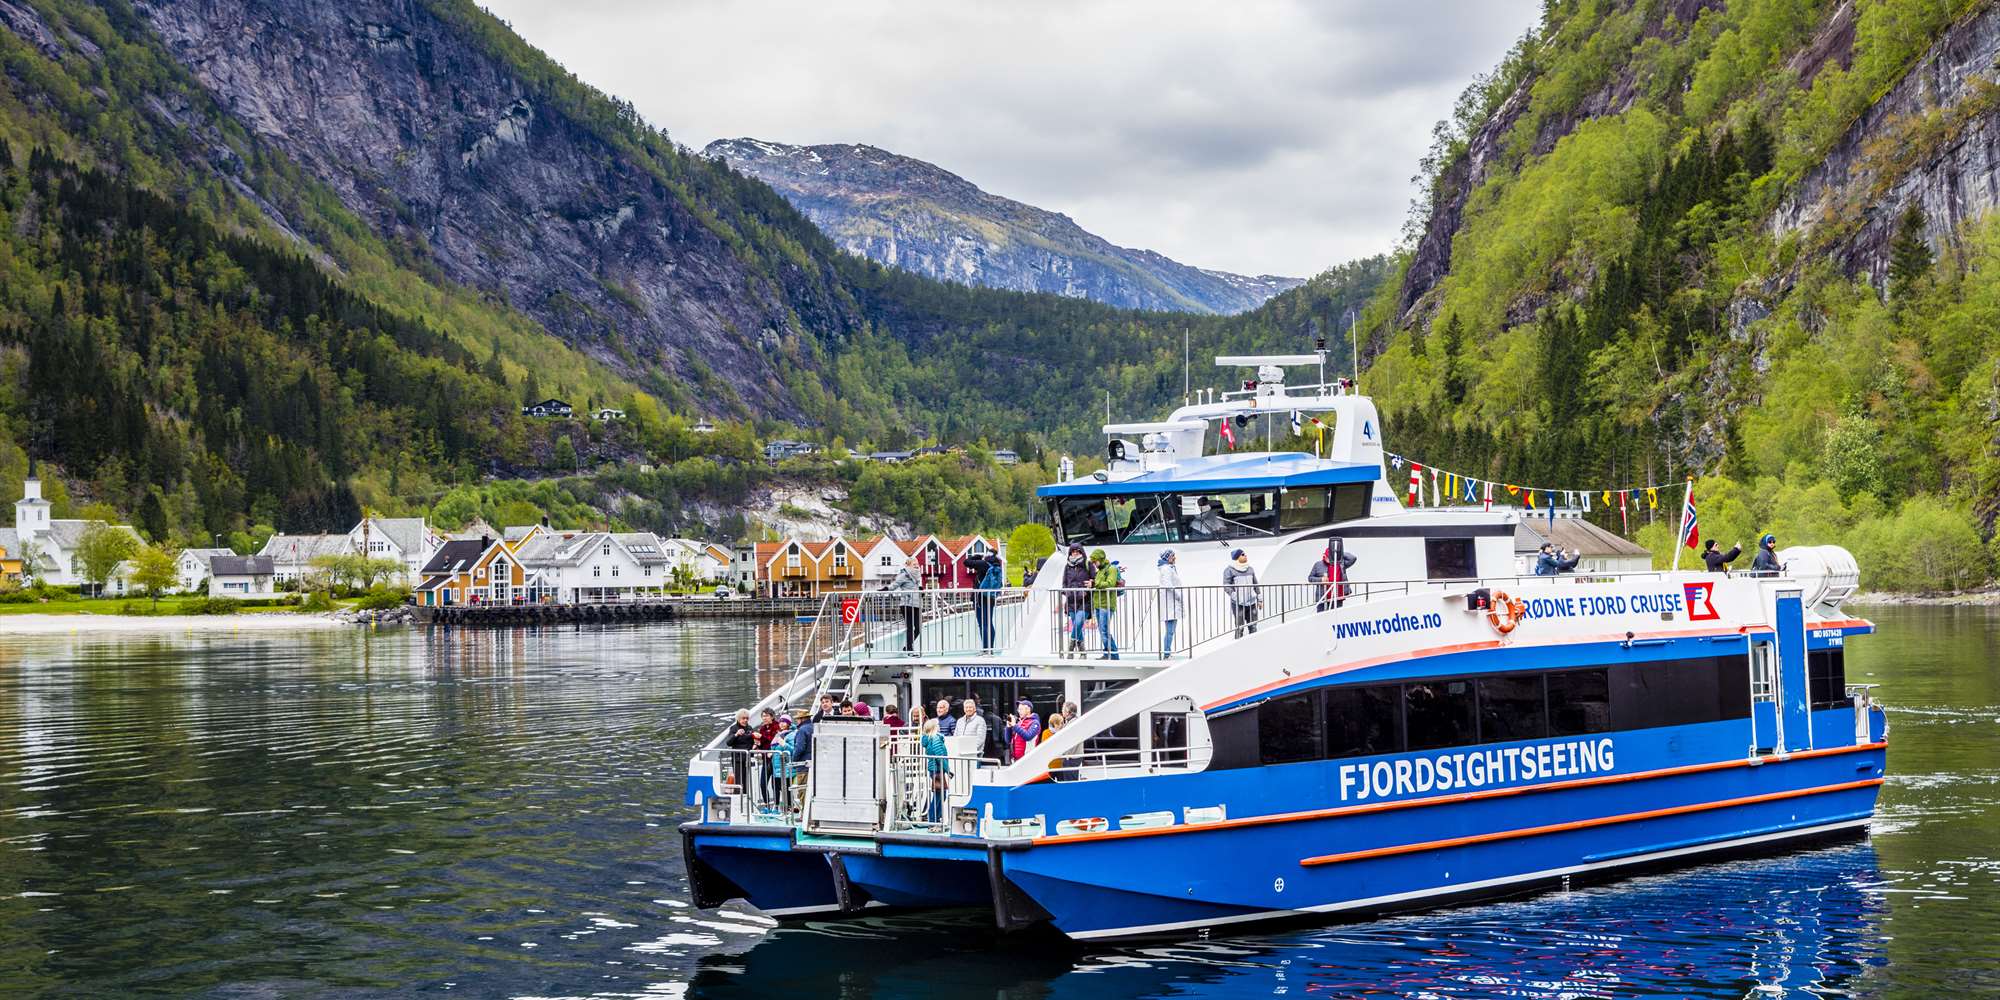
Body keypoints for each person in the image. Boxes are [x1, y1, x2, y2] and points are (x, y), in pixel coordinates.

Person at [964, 548, 1005, 652]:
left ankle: (986, 650)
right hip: (991, 597)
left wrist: (977, 556)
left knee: (983, 624)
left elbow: (966, 562)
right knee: (989, 623)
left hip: (980, 598)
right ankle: (990, 649)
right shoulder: (997, 565)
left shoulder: (983, 564)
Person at [1060, 545, 1093, 657]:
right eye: (1072, 551)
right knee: (1076, 626)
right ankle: (1083, 652)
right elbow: (1064, 583)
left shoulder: (1088, 565)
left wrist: (1089, 587)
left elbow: (1094, 579)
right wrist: (1067, 592)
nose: (1075, 553)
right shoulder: (1067, 566)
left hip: (1085, 600)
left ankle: (1070, 648)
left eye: (1077, 551)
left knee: (1078, 623)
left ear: (1082, 552)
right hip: (1071, 601)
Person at [1090, 549, 1122, 660]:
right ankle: (1108, 653)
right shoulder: (1100, 570)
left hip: (1107, 604)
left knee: (1104, 630)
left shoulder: (1111, 569)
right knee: (1102, 630)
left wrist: (1095, 583)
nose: (1094, 564)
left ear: (1101, 559)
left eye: (1095, 561)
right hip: (1099, 604)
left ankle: (1113, 655)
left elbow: (1110, 583)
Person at [1309, 538, 1357, 611]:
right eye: (1328, 557)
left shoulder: (1340, 563)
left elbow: (1352, 558)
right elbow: (1310, 578)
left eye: (1330, 557)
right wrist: (1320, 579)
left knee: (1335, 619)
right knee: (1322, 617)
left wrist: (1338, 553)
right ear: (1324, 555)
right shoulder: (1318, 564)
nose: (1329, 559)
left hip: (1337, 596)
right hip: (1323, 597)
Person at [1223, 549, 1261, 636]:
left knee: (1253, 627)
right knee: (1239, 628)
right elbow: (1226, 585)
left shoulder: (1250, 569)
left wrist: (1260, 599)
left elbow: (1255, 584)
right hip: (1238, 604)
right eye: (1243, 554)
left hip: (1251, 603)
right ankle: (1238, 645)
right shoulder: (1229, 570)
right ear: (1237, 557)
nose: (1246, 556)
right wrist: (1235, 596)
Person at [890, 556, 923, 653]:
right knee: (910, 627)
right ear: (908, 565)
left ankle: (907, 647)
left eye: (917, 564)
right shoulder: (904, 575)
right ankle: (909, 648)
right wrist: (885, 589)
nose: (917, 566)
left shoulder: (918, 576)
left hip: (916, 604)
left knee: (918, 628)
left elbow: (917, 588)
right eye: (914, 564)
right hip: (907, 604)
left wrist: (921, 592)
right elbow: (894, 585)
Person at [1157, 549, 1185, 656]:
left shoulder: (1168, 568)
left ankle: (1167, 651)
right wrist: (1178, 595)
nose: (1174, 558)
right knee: (1170, 630)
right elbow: (1168, 584)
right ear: (1168, 557)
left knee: (1171, 630)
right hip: (1170, 603)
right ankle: (1166, 652)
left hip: (1172, 603)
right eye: (1173, 556)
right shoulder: (1166, 569)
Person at [921, 718, 949, 824]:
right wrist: (948, 770)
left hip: (934, 770)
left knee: (940, 795)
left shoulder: (928, 739)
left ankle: (935, 818)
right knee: (940, 795)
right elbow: (940, 756)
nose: (939, 726)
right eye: (937, 725)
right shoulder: (936, 738)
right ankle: (933, 819)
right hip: (937, 770)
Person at [723, 709, 755, 793]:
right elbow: (728, 742)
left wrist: (756, 742)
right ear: (738, 718)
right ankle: (738, 797)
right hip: (737, 758)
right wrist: (736, 735)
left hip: (747, 758)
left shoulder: (749, 728)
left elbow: (752, 743)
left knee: (746, 779)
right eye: (743, 718)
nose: (745, 720)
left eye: (747, 718)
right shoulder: (734, 728)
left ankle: (746, 796)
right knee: (738, 780)